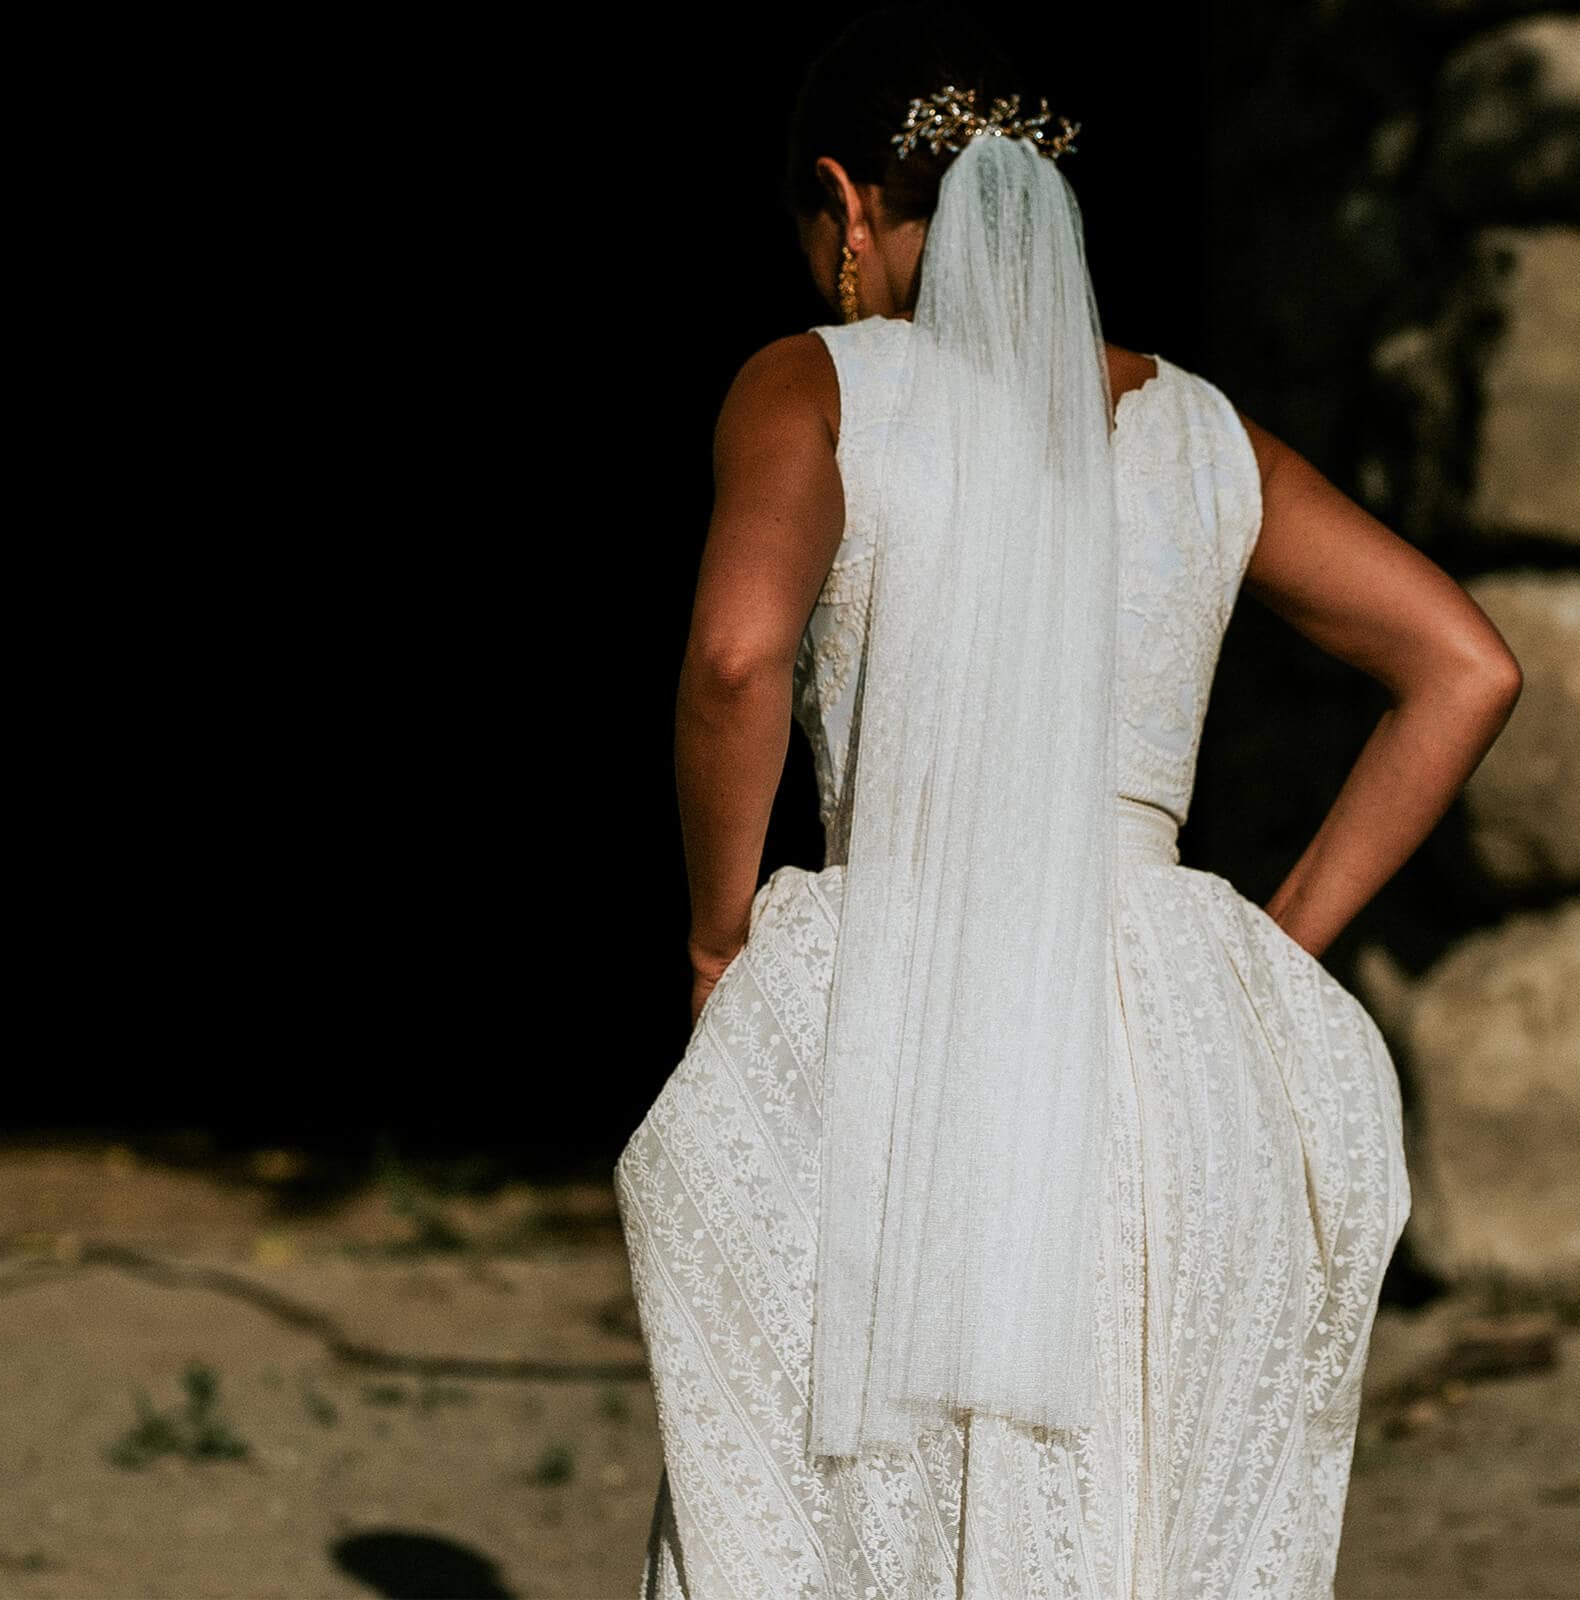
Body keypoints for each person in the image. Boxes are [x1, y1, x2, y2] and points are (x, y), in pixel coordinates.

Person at [615, 8, 1522, 1596]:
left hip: (909, 1006)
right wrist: (1270, 955)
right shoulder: (1202, 433)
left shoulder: (815, 383)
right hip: (1176, 1050)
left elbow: (738, 655)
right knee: (1136, 1513)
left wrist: (713, 940)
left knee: (862, 1516)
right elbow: (1466, 665)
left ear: (841, 201)